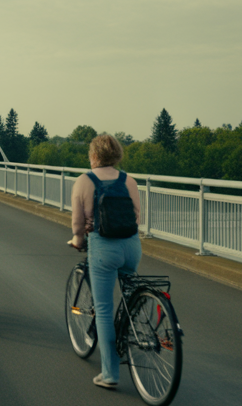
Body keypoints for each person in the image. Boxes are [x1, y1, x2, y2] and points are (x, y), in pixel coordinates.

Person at [67, 134, 142, 389]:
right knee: (130, 293)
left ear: (95, 156)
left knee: (104, 308)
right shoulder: (128, 180)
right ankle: (134, 332)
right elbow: (136, 216)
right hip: (132, 246)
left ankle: (110, 375)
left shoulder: (84, 181)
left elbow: (78, 223)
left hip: (103, 248)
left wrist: (78, 239)